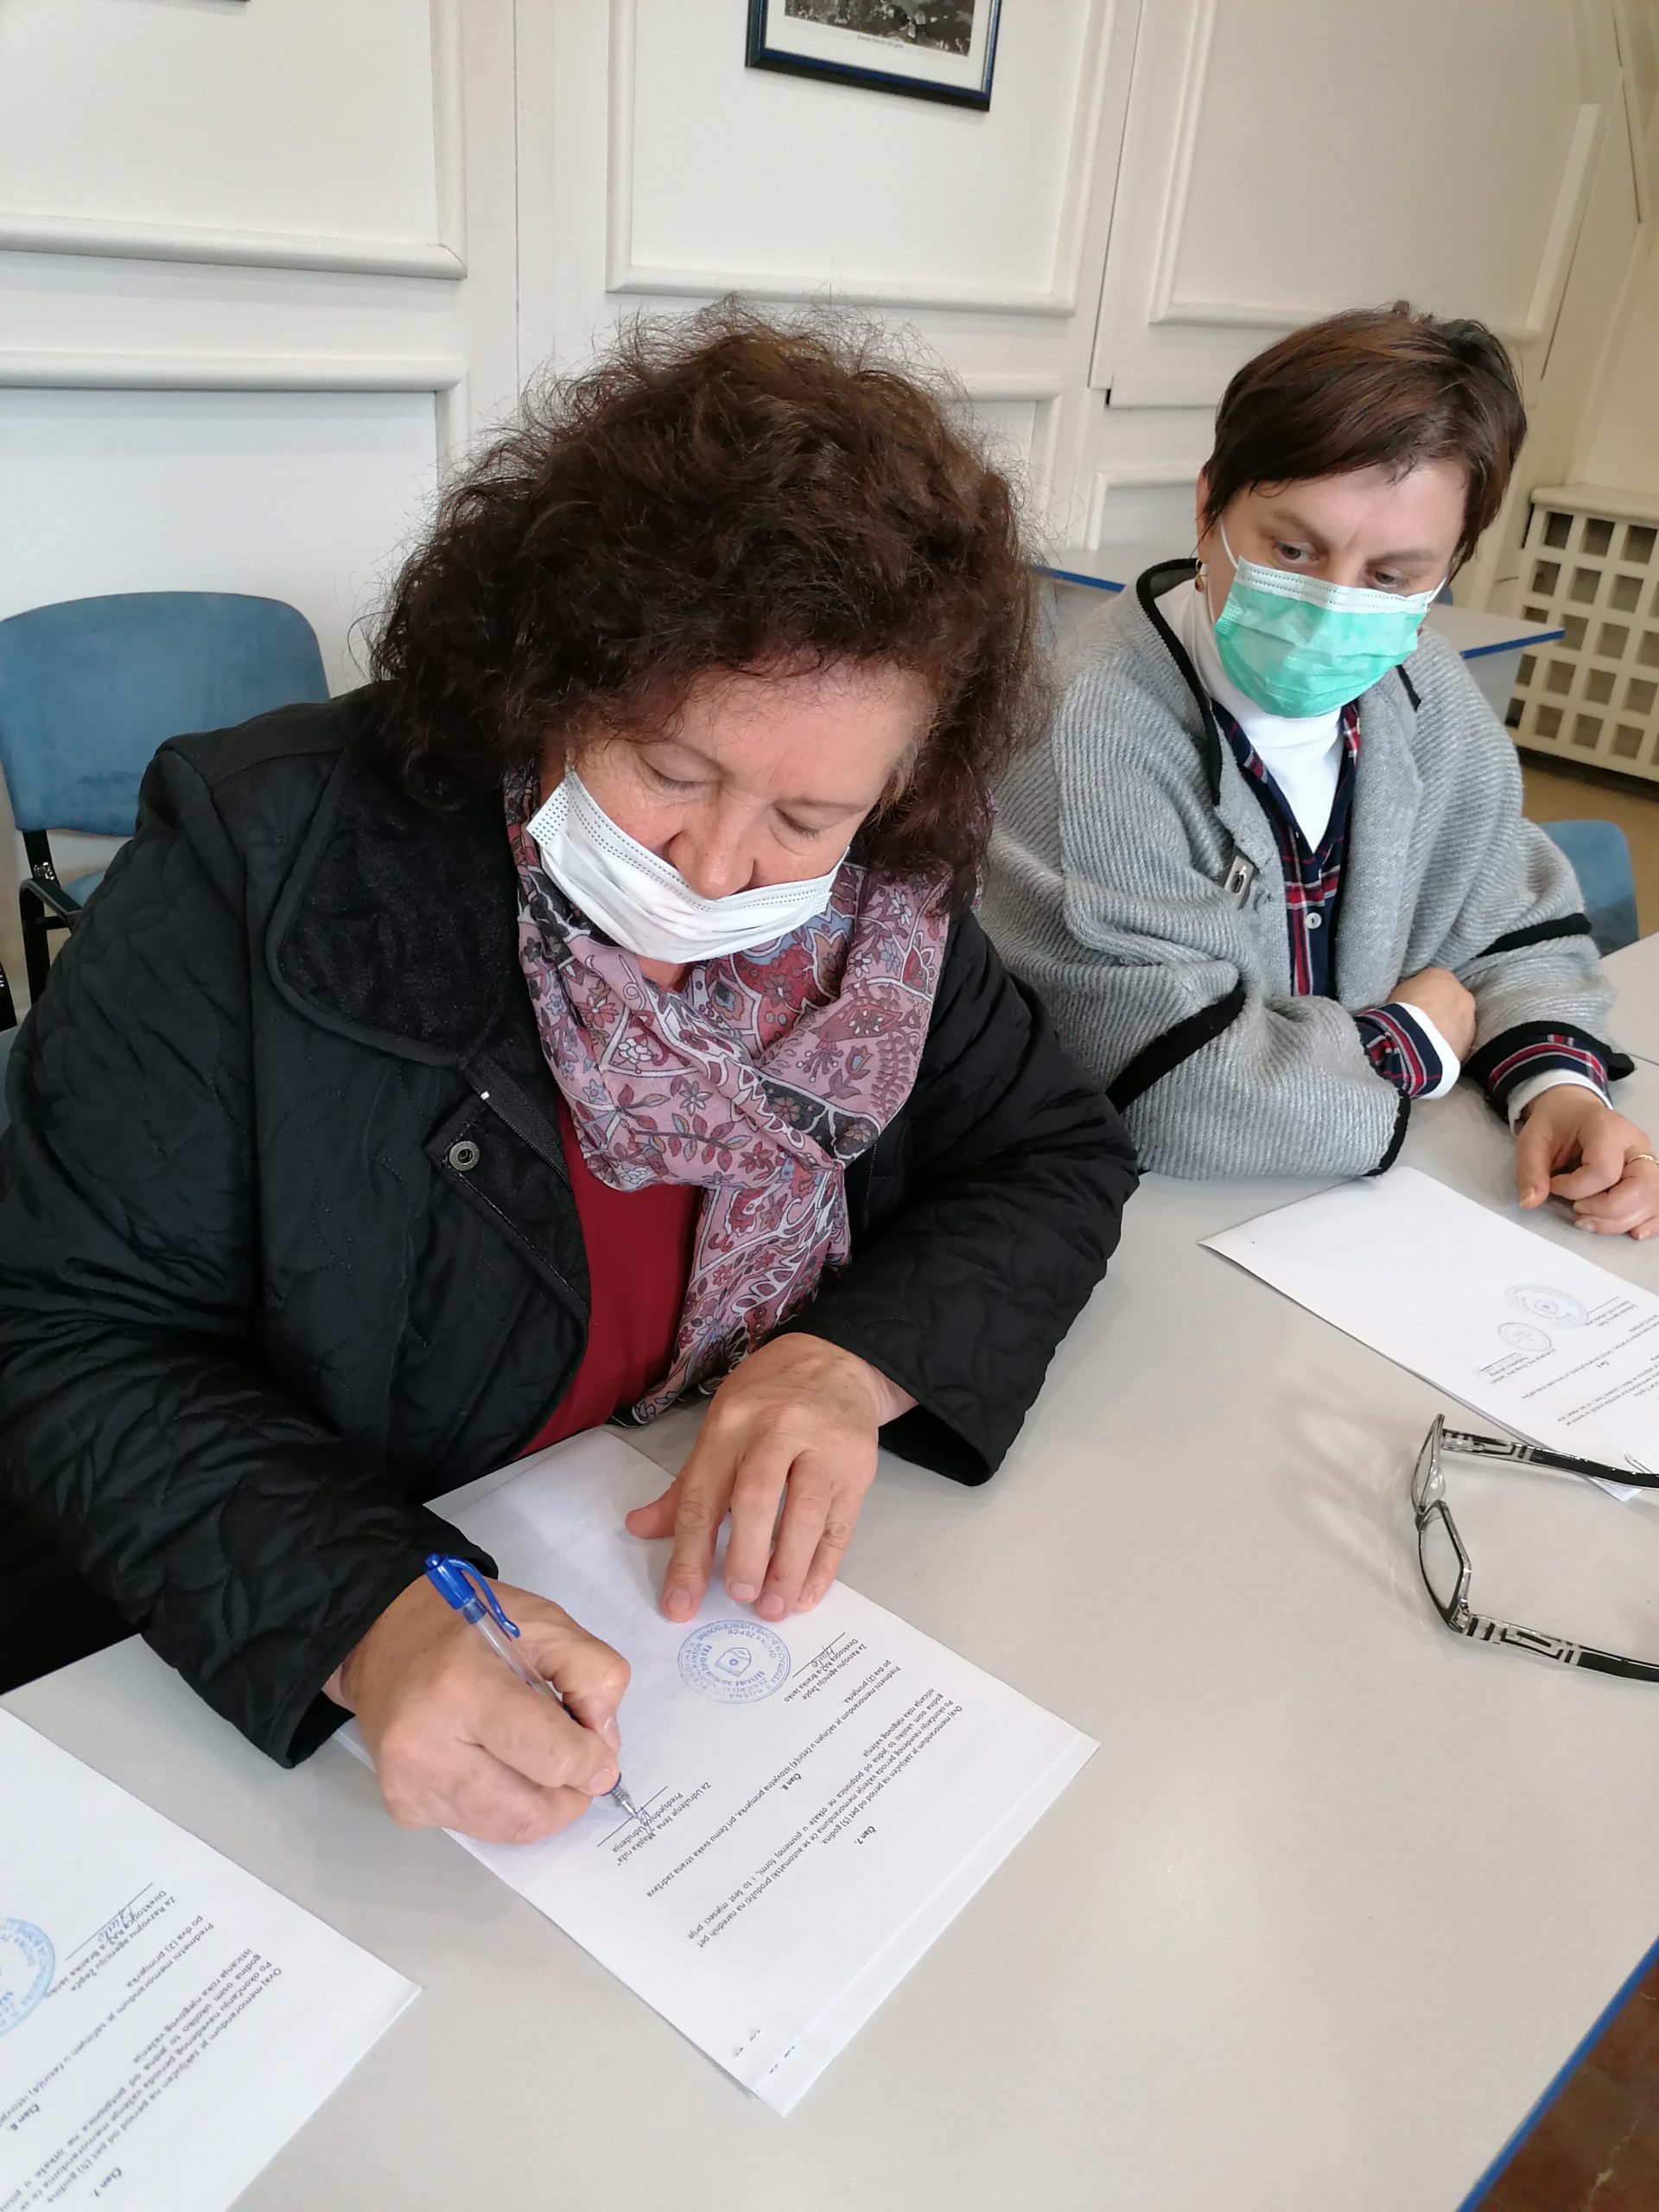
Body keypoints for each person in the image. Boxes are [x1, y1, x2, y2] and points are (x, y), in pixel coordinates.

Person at [0, 308, 1137, 1845]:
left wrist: (846, 1362)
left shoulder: (886, 918)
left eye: (807, 819)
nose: (719, 868)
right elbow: (66, 1332)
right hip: (292, 1686)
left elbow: (1052, 1154)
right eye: (669, 770)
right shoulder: (264, 857)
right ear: (549, 673)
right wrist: (364, 1611)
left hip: (684, 1604)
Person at [983, 303, 1657, 1235]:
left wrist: (1558, 1087)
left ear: (1449, 568)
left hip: (1374, 1206)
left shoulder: (1426, 689)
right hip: (1162, 1218)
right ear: (1210, 506)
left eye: (1391, 577)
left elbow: (1508, 926)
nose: (1331, 605)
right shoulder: (1085, 733)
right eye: (1293, 549)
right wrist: (1412, 1041)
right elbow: (1169, 1087)